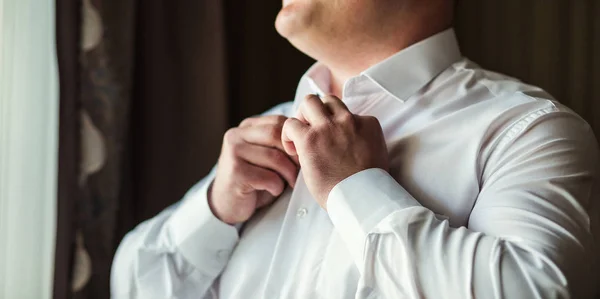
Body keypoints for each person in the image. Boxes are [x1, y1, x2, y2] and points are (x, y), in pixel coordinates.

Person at [111, 0, 600, 298]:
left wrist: (357, 189)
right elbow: (132, 285)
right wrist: (214, 210)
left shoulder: (525, 130)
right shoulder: (267, 139)